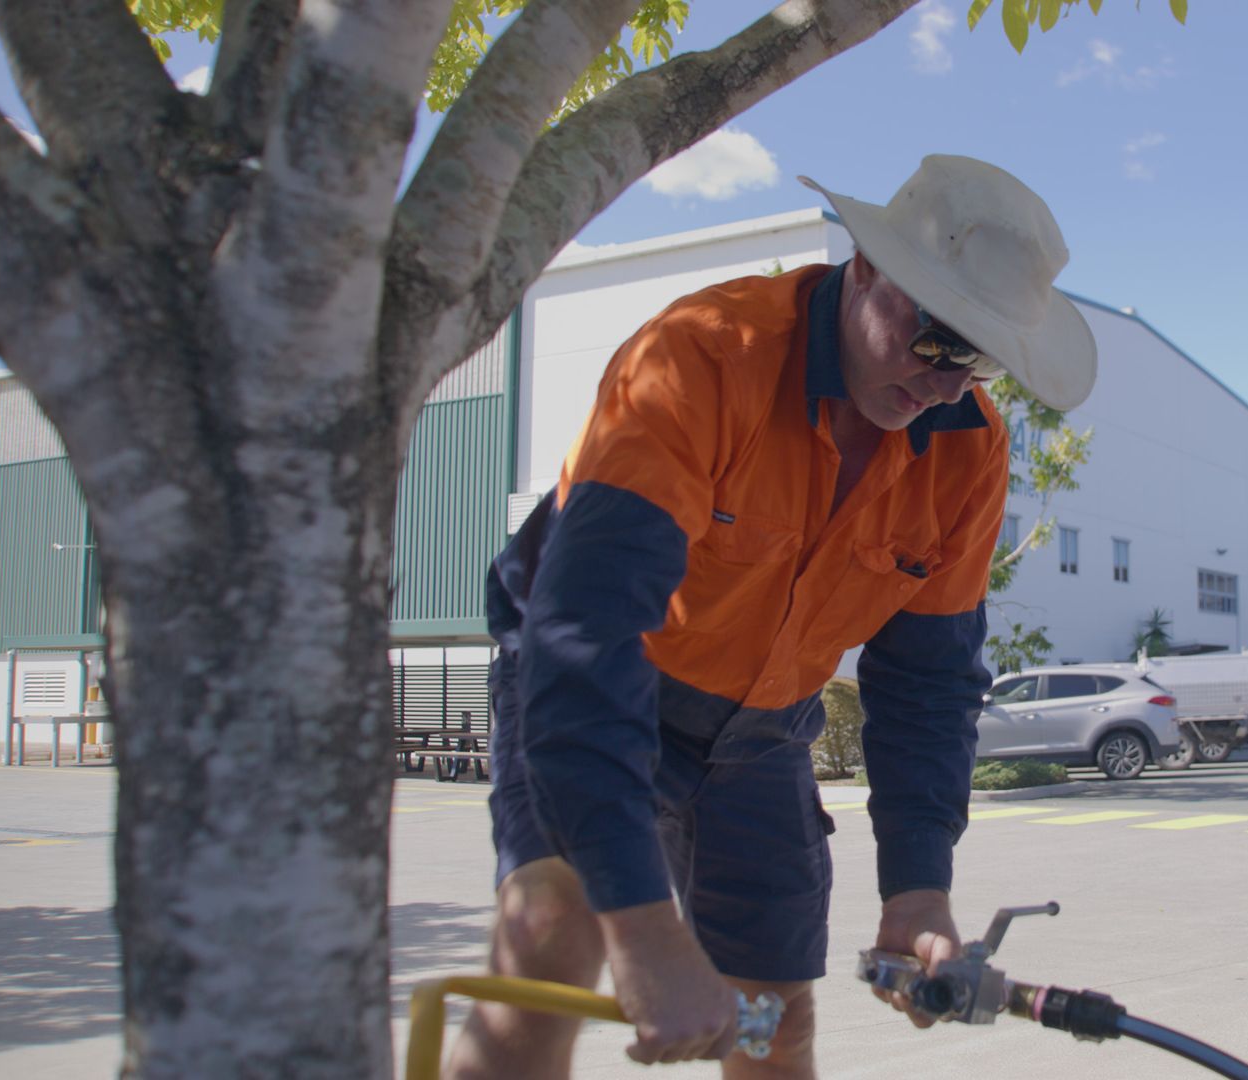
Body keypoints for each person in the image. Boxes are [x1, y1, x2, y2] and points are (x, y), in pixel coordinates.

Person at [446, 154, 1097, 1079]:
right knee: (555, 935)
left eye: (981, 357)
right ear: (868, 268)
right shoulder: (705, 355)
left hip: (760, 736)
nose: (948, 382)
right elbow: (583, 639)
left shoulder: (971, 453)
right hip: (602, 679)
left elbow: (927, 680)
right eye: (939, 338)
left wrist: (918, 890)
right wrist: (640, 926)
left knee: (771, 1019)